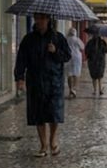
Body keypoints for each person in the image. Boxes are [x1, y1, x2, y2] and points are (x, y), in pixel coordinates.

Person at [14, 13, 71, 157]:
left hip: (54, 82)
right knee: (38, 113)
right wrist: (19, 77)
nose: (38, 21)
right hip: (35, 81)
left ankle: (53, 141)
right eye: (36, 18)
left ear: (48, 20)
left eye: (41, 18)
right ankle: (43, 145)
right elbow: (21, 59)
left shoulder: (58, 38)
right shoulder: (29, 39)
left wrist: (55, 51)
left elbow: (67, 56)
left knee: (53, 113)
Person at [85, 31, 107, 96]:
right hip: (100, 61)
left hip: (92, 62)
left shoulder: (90, 42)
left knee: (94, 77)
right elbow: (106, 50)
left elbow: (86, 51)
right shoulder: (102, 42)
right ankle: (100, 90)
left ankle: (95, 90)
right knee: (100, 76)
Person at [65, 27, 85, 98]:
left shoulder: (66, 39)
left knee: (69, 73)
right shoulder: (77, 39)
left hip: (68, 57)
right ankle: (74, 89)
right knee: (76, 73)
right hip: (77, 57)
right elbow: (82, 47)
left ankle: (70, 89)